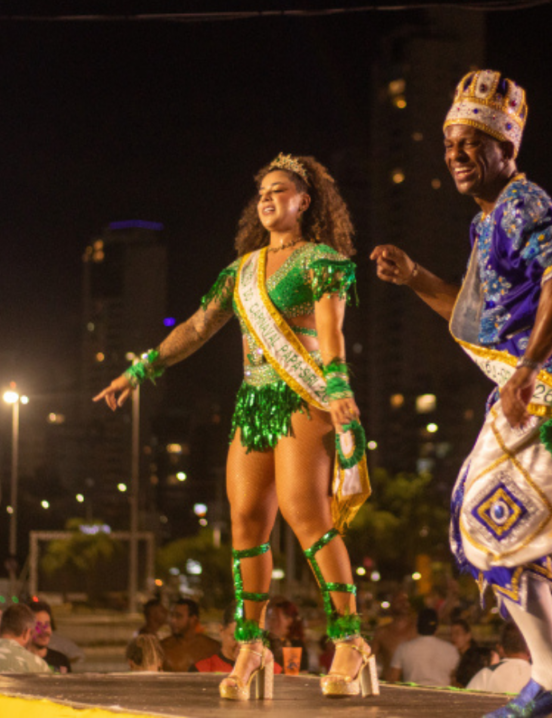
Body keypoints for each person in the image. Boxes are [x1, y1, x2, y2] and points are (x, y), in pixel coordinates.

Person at [371, 69, 552, 718]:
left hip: (551, 392)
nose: (454, 155)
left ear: (506, 148)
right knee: (489, 524)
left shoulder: (523, 204)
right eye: (449, 143)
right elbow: (477, 319)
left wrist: (525, 372)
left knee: (486, 529)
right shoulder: (488, 222)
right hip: (530, 387)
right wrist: (416, 277)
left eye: (470, 143)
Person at [96, 153, 373, 701]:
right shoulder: (241, 271)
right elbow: (198, 327)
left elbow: (330, 331)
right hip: (253, 403)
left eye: (280, 190)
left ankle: (349, 639)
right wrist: (140, 368)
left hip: (302, 398)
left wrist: (338, 389)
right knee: (246, 522)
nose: (268, 199)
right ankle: (252, 645)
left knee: (306, 516)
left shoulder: (322, 261)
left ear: (304, 200)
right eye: (262, 193)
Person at [194, 604, 284, 675]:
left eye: (248, 638)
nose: (241, 645)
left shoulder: (272, 671)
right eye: (235, 637)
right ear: (221, 630)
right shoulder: (202, 670)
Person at [386, 607, 460, 687]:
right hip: (442, 695)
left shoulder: (404, 648)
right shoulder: (450, 649)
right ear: (437, 627)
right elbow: (455, 678)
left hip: (412, 695)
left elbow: (393, 678)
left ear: (417, 626)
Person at [467, 622, 533, 694]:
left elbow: (465, 702)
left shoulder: (486, 674)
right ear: (529, 650)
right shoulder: (541, 678)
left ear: (501, 650)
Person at [161, 598, 219, 673]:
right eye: (172, 616)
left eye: (178, 616)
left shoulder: (212, 647)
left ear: (193, 619)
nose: (173, 620)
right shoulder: (163, 647)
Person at [371, 590, 417, 677]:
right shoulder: (382, 632)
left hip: (413, 684)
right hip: (389, 683)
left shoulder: (417, 630)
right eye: (399, 601)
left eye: (405, 601)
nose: (403, 604)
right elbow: (370, 660)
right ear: (392, 605)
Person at [267, 596, 309, 673]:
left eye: (274, 618)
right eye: (269, 618)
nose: (269, 623)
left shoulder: (296, 644)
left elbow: (303, 672)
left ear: (289, 620)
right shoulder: (264, 641)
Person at [27, 601, 71, 673]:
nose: (45, 630)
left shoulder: (61, 661)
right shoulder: (21, 661)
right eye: (38, 625)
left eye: (47, 625)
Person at [452, 618, 496, 687]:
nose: (453, 637)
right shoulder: (455, 655)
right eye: (452, 634)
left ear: (468, 636)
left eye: (457, 633)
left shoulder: (475, 657)